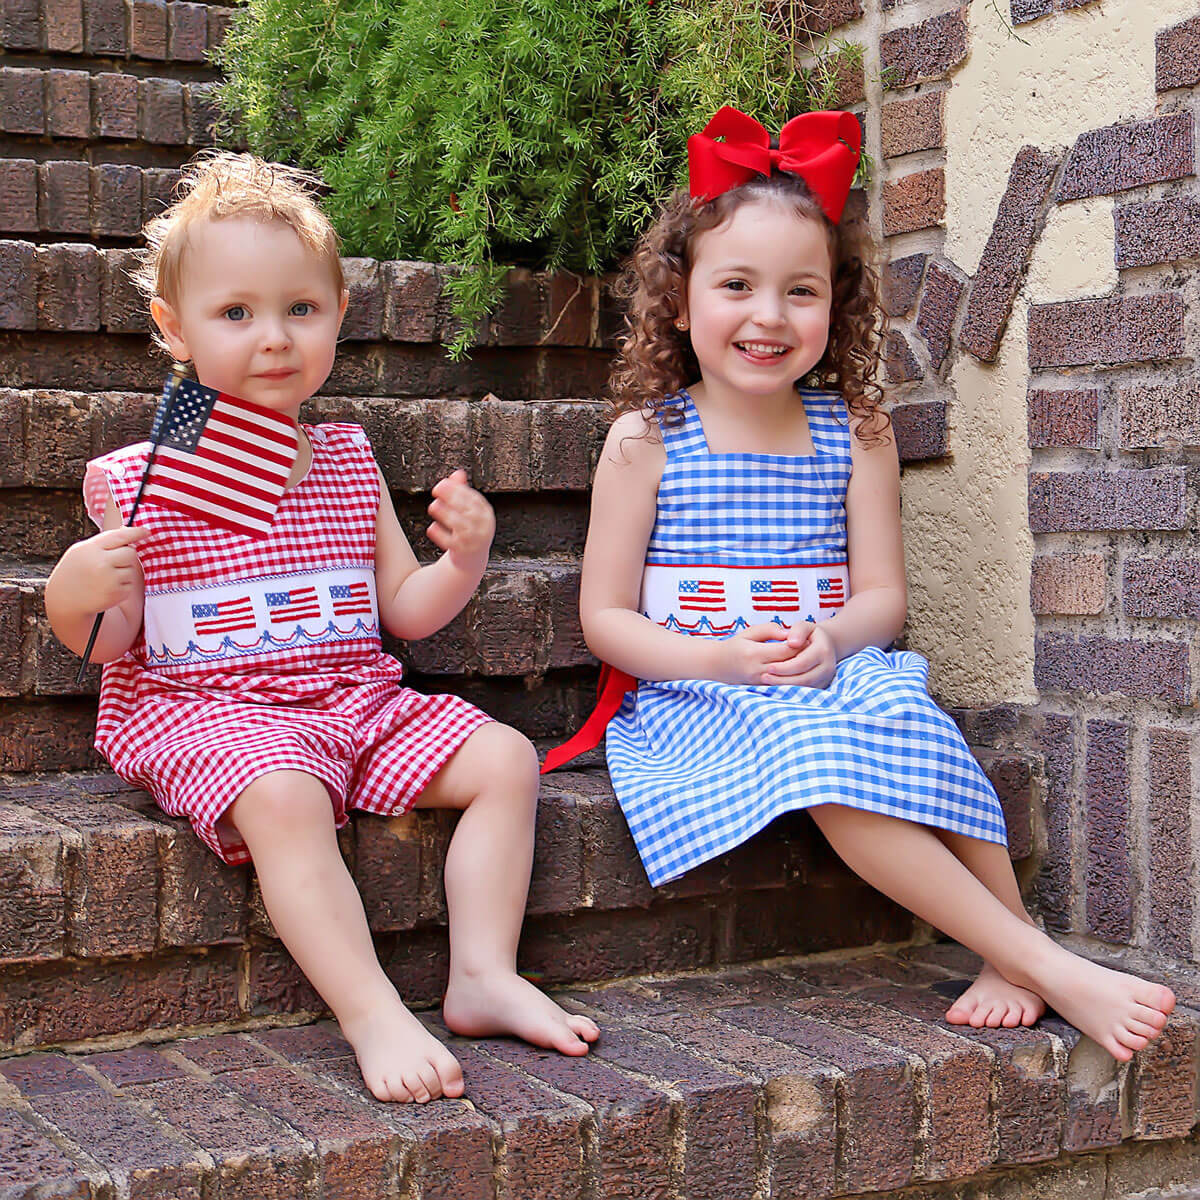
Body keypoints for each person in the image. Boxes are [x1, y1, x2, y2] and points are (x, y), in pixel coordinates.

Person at [571, 106, 1174, 1063]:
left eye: (800, 292)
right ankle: (1047, 964)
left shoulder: (857, 434)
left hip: (829, 667)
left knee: (913, 722)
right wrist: (721, 659)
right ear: (680, 303)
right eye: (737, 285)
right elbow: (603, 619)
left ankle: (1008, 957)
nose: (769, 316)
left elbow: (884, 599)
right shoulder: (648, 441)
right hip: (702, 689)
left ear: (837, 307)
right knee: (824, 759)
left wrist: (837, 644)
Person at [44, 152, 598, 1104]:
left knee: (506, 759)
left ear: (339, 312)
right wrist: (75, 588)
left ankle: (483, 972)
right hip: (211, 711)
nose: (273, 338)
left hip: (355, 699)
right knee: (285, 801)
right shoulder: (146, 477)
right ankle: (372, 1008)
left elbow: (402, 611)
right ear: (174, 331)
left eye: (300, 309)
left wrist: (461, 563)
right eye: (235, 314)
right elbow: (105, 639)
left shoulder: (345, 458)